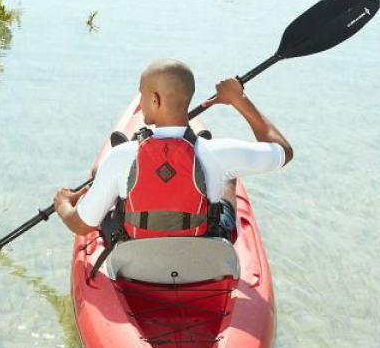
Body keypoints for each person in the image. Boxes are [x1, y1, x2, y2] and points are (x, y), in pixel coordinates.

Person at [52, 59, 292, 248]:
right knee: (228, 176)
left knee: (105, 178)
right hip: (202, 251)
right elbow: (284, 151)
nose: (141, 101)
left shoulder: (121, 156)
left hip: (137, 256)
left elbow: (81, 226)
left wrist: (63, 205)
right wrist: (238, 100)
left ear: (155, 100)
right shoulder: (218, 152)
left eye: (142, 94)